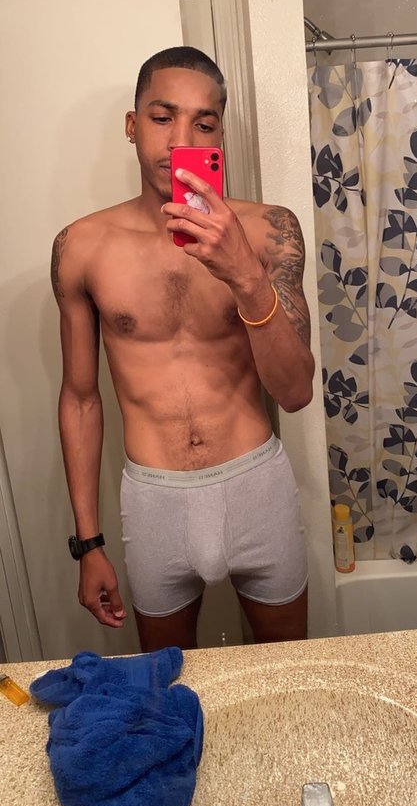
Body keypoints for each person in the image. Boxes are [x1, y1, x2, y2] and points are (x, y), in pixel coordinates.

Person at [52, 46, 315, 652]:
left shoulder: (269, 231)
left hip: (257, 486)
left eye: (204, 123)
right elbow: (80, 399)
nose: (179, 141)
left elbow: (296, 392)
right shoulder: (82, 246)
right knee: (166, 678)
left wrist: (244, 273)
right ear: (132, 124)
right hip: (155, 501)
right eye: (162, 116)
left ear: (220, 135)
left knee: (289, 671)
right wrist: (88, 544)